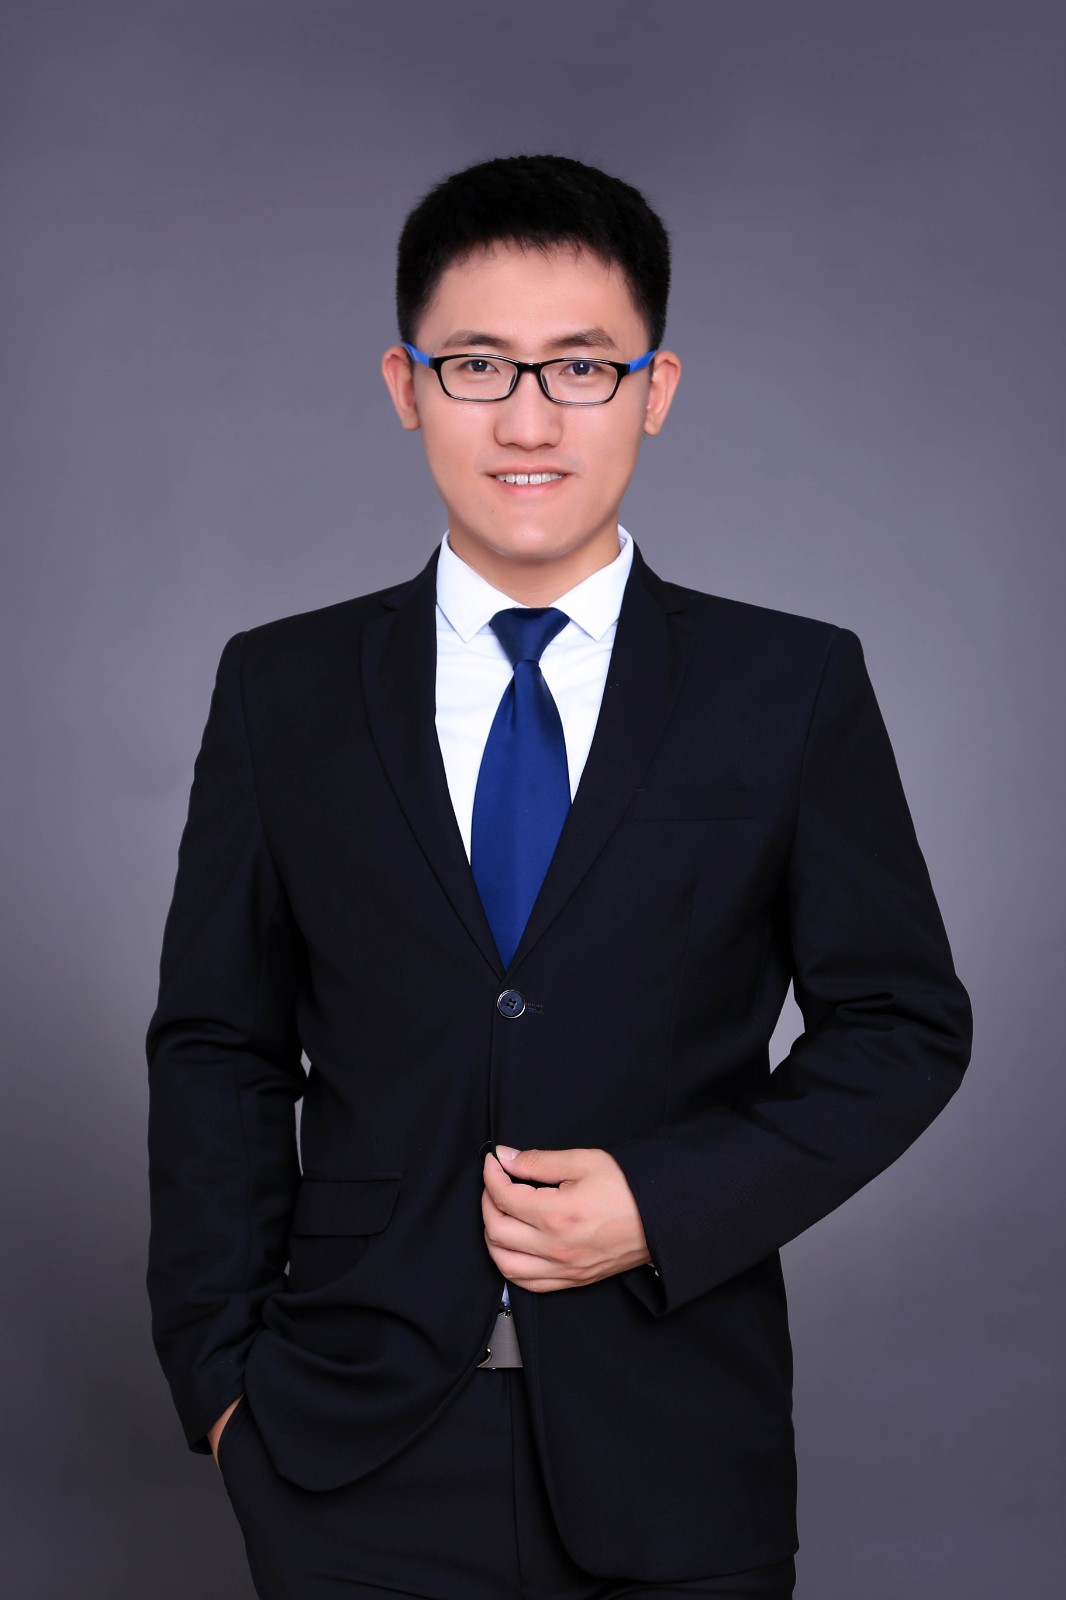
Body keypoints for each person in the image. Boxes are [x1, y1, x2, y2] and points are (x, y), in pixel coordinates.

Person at [145, 153, 973, 1600]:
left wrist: (668, 1200)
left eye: (581, 368)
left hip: (676, 1443)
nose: (527, 419)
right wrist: (220, 1379)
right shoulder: (282, 688)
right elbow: (221, 1041)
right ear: (406, 385)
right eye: (477, 365)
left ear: (654, 389)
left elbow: (901, 1024)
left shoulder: (787, 685)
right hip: (347, 1449)